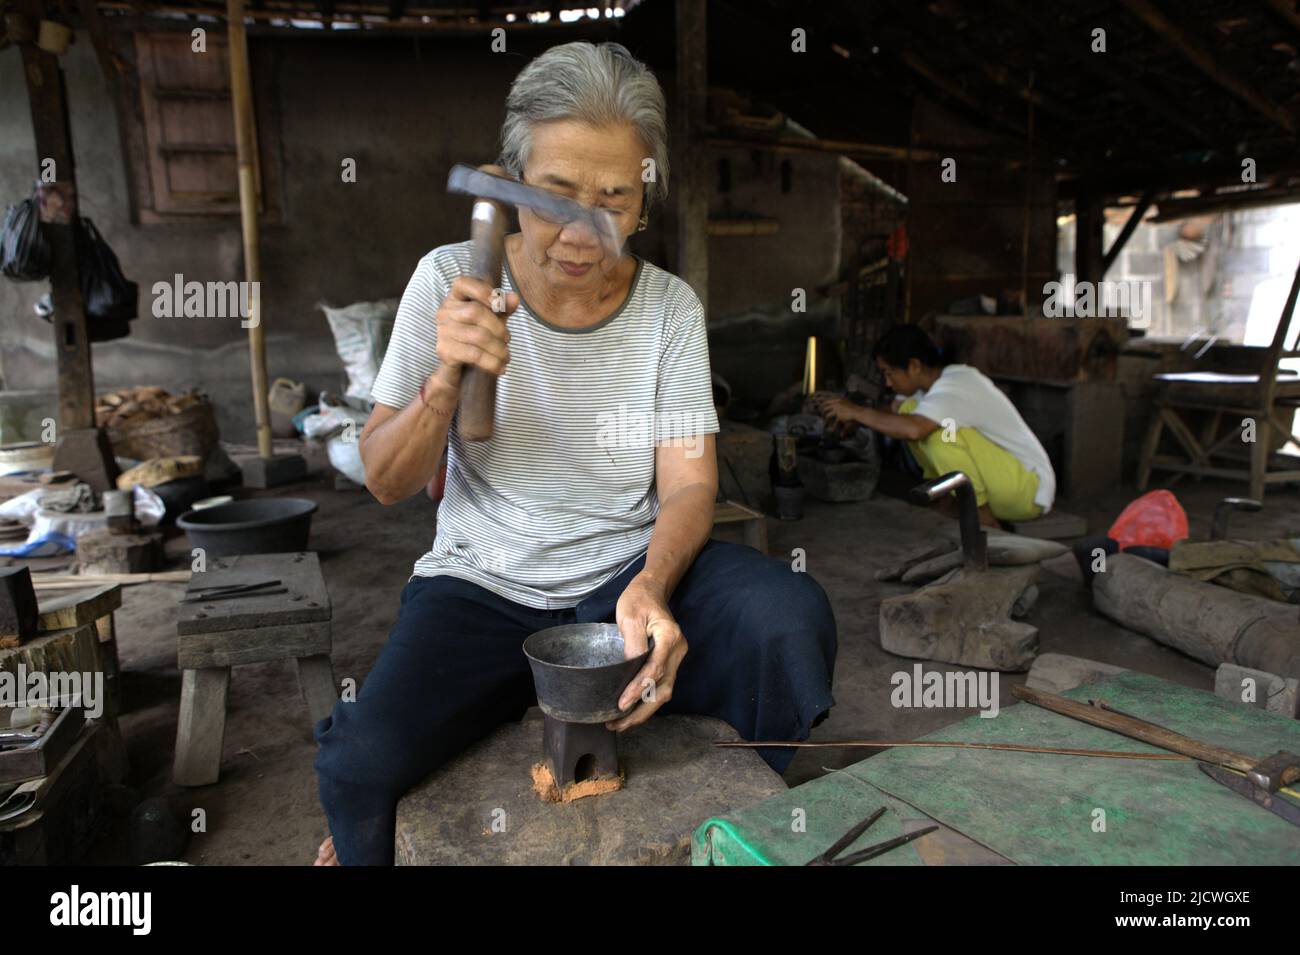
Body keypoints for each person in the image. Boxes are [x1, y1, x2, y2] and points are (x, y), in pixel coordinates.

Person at [312, 41, 837, 866]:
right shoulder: (449, 278)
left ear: (642, 202)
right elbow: (385, 481)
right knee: (360, 763)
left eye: (614, 198)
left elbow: (691, 482)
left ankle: (742, 834)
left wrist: (653, 589)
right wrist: (445, 378)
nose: (585, 229)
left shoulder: (668, 308)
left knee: (785, 619)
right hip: (481, 582)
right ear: (511, 181)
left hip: (621, 576)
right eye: (556, 194)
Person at [816, 324, 1055, 528]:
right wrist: (855, 421)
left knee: (939, 435)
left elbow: (915, 429)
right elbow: (894, 412)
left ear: (914, 366)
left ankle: (984, 521)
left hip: (1028, 491)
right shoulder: (928, 390)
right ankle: (949, 501)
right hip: (1004, 483)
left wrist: (856, 410)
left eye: (890, 373)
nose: (887, 383)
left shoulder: (958, 384)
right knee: (909, 410)